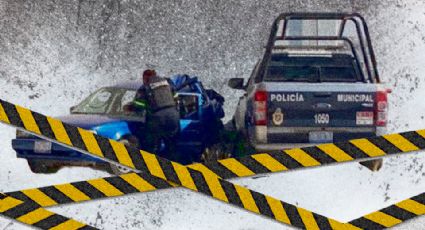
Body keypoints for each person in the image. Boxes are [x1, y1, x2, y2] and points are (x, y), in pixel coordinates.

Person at [132, 69, 180, 155]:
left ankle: (151, 166)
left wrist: (130, 108)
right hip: (173, 116)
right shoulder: (167, 82)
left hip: (158, 118)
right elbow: (177, 98)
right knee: (172, 145)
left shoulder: (145, 87)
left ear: (145, 77)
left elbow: (139, 106)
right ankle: (174, 165)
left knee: (151, 145)